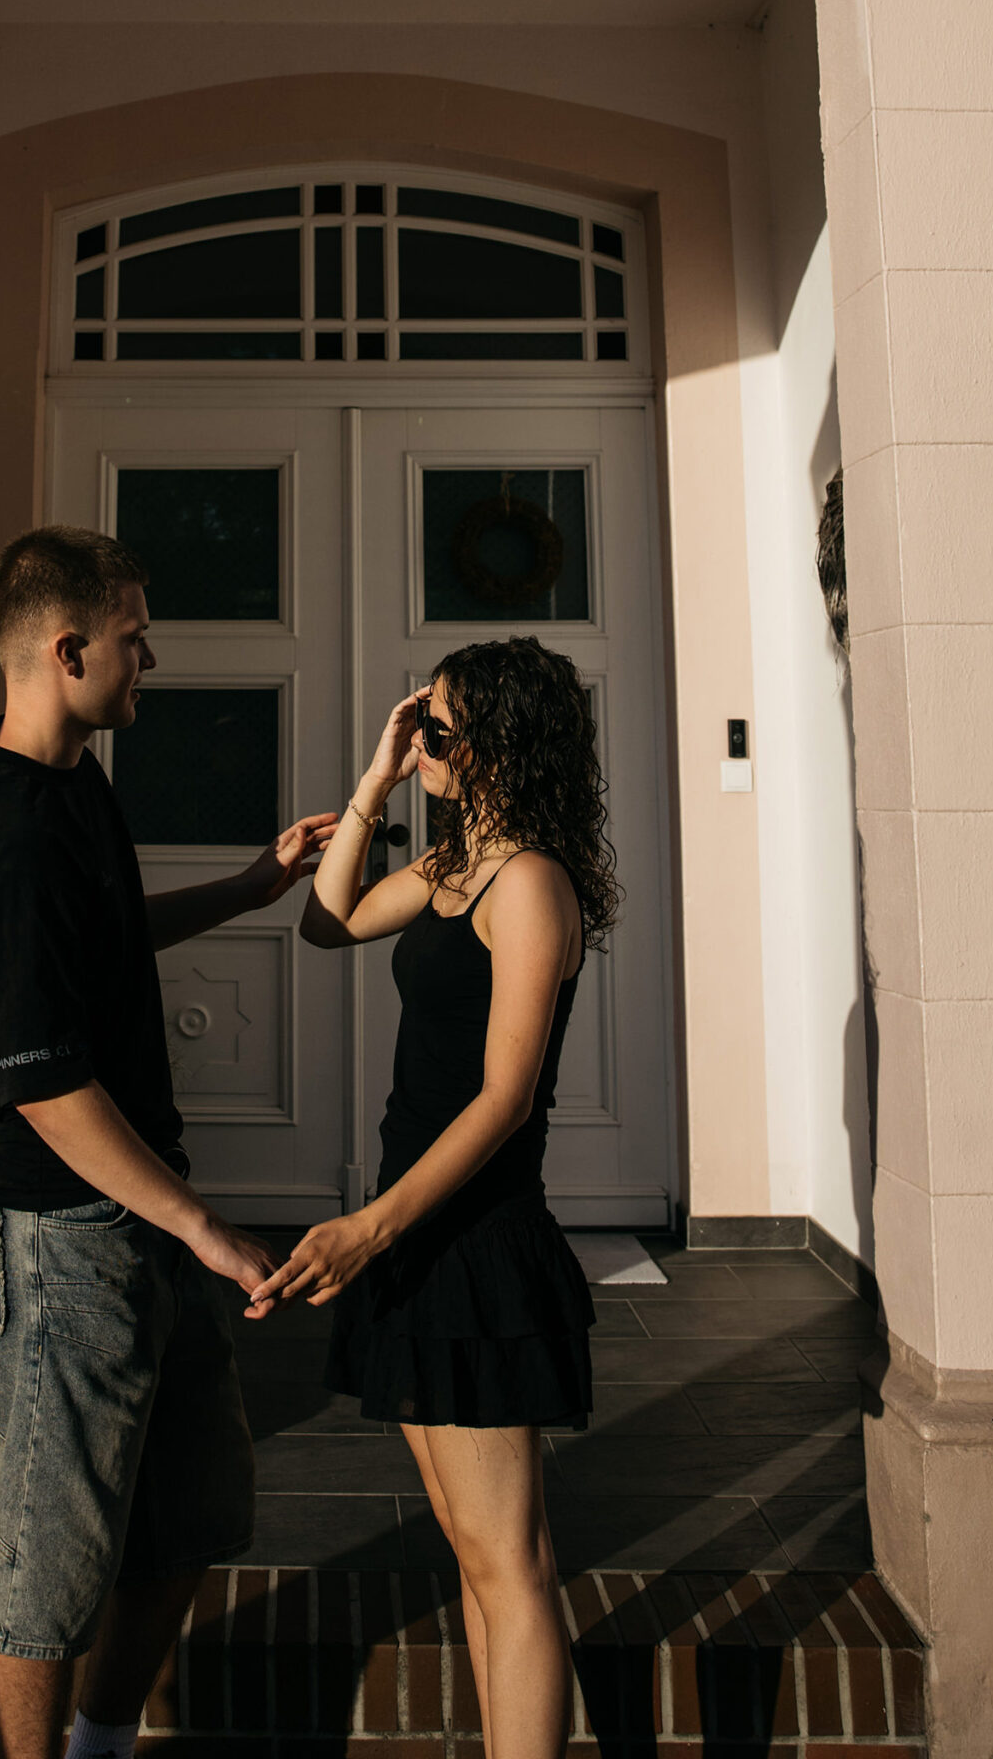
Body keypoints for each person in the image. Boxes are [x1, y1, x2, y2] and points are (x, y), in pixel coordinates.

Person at [0, 525, 335, 1759]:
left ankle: (101, 1742)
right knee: (48, 1561)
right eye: (133, 636)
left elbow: (102, 936)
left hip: (136, 1215)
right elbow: (46, 1086)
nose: (149, 657)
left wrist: (250, 886)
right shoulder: (4, 837)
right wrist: (204, 1230)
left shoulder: (74, 788)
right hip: (57, 1235)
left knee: (192, 1516)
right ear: (68, 651)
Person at [250, 636, 618, 1759]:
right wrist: (376, 779)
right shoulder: (457, 862)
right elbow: (326, 920)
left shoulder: (531, 883)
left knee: (512, 1563)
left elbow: (506, 1099)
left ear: (499, 742)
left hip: (472, 1241)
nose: (425, 745)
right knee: (475, 1551)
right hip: (413, 1230)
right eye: (421, 727)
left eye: (439, 731)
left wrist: (368, 1228)